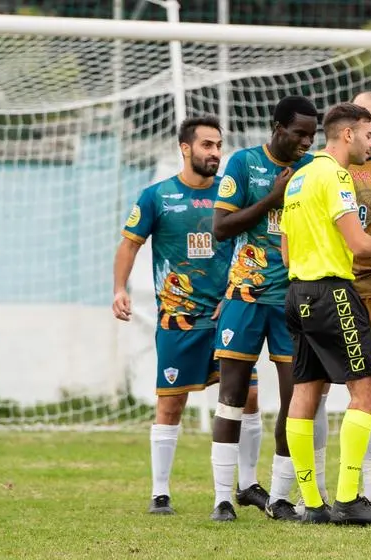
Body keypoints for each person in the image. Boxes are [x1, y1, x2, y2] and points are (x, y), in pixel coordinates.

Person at [112, 115, 261, 515]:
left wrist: (235, 293)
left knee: (248, 397)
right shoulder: (156, 196)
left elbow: (251, 245)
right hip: (178, 320)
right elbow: (129, 245)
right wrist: (119, 289)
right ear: (185, 148)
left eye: (218, 145)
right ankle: (160, 492)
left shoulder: (231, 197)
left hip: (230, 315)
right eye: (207, 145)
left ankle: (248, 484)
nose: (215, 153)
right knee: (171, 403)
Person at [280, 102, 371, 525]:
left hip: (297, 292)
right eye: (368, 135)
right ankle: (350, 498)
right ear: (348, 134)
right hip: (332, 292)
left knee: (306, 391)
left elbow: (285, 250)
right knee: (368, 388)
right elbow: (358, 243)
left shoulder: (298, 178)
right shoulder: (336, 176)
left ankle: (312, 504)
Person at [209, 96, 318, 522]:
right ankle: (222, 496)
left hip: (293, 299)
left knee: (296, 402)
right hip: (245, 297)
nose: (306, 142)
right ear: (277, 127)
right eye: (299, 134)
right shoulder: (243, 163)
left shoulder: (313, 172)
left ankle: (279, 497)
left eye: (313, 135)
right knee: (232, 397)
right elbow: (220, 228)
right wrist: (271, 199)